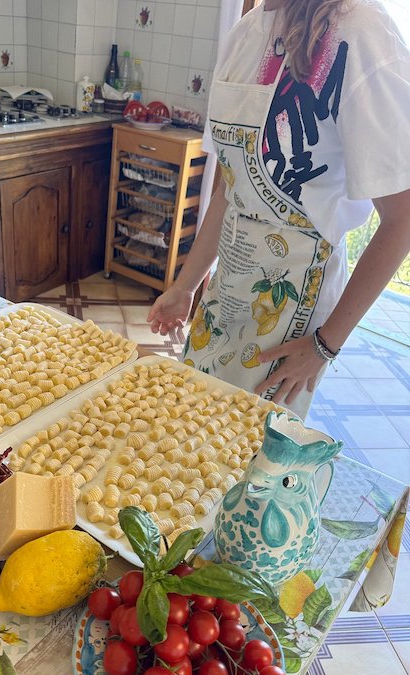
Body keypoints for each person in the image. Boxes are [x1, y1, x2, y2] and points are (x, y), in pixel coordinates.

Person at [148, 0, 410, 419]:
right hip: (226, 294)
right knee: (192, 431)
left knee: (247, 454)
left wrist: (325, 345)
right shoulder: (246, 32)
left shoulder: (359, 32)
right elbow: (232, 189)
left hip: (292, 312)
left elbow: (403, 218)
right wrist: (185, 287)